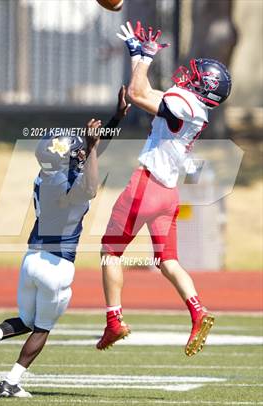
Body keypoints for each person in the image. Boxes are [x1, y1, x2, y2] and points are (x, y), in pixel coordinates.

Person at [0, 87, 130, 398]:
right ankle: (11, 382)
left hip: (32, 259)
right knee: (42, 328)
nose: (82, 151)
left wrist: (117, 117)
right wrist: (93, 148)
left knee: (27, 320)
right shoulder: (68, 183)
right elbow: (92, 187)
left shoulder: (46, 176)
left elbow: (91, 153)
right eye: (79, 151)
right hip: (57, 265)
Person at [96, 21, 232, 356]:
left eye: (197, 76)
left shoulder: (184, 103)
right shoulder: (194, 109)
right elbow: (144, 92)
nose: (189, 76)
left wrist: (148, 55)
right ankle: (198, 312)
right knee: (167, 260)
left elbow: (137, 94)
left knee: (109, 252)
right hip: (168, 194)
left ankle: (114, 320)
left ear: (204, 87)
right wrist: (135, 56)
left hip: (146, 185)